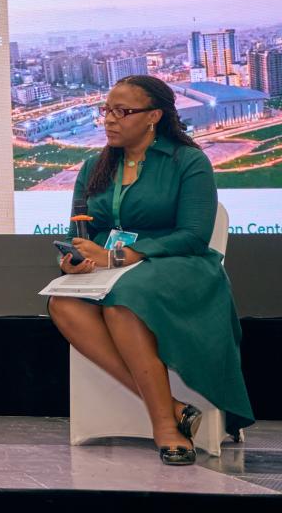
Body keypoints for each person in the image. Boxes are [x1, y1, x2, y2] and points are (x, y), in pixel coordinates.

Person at [49, 75, 253, 465]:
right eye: (105, 110)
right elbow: (80, 228)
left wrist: (126, 257)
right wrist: (72, 259)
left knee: (123, 303)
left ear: (154, 116)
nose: (109, 119)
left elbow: (193, 236)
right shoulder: (94, 165)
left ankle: (165, 425)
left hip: (179, 267)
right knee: (62, 304)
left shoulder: (188, 161)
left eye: (121, 111)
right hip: (112, 272)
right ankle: (174, 405)